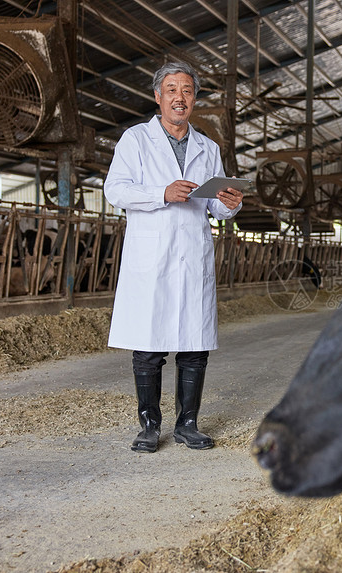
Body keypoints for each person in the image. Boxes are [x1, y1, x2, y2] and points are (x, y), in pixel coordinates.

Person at [104, 61, 243, 453]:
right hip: (152, 257)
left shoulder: (208, 147)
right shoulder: (135, 140)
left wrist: (230, 204)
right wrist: (161, 194)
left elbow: (214, 208)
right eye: (171, 90)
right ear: (158, 97)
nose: (179, 98)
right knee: (148, 348)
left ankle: (188, 424)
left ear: (194, 99)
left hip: (192, 255)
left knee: (194, 345)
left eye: (187, 91)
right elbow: (115, 190)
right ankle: (149, 426)